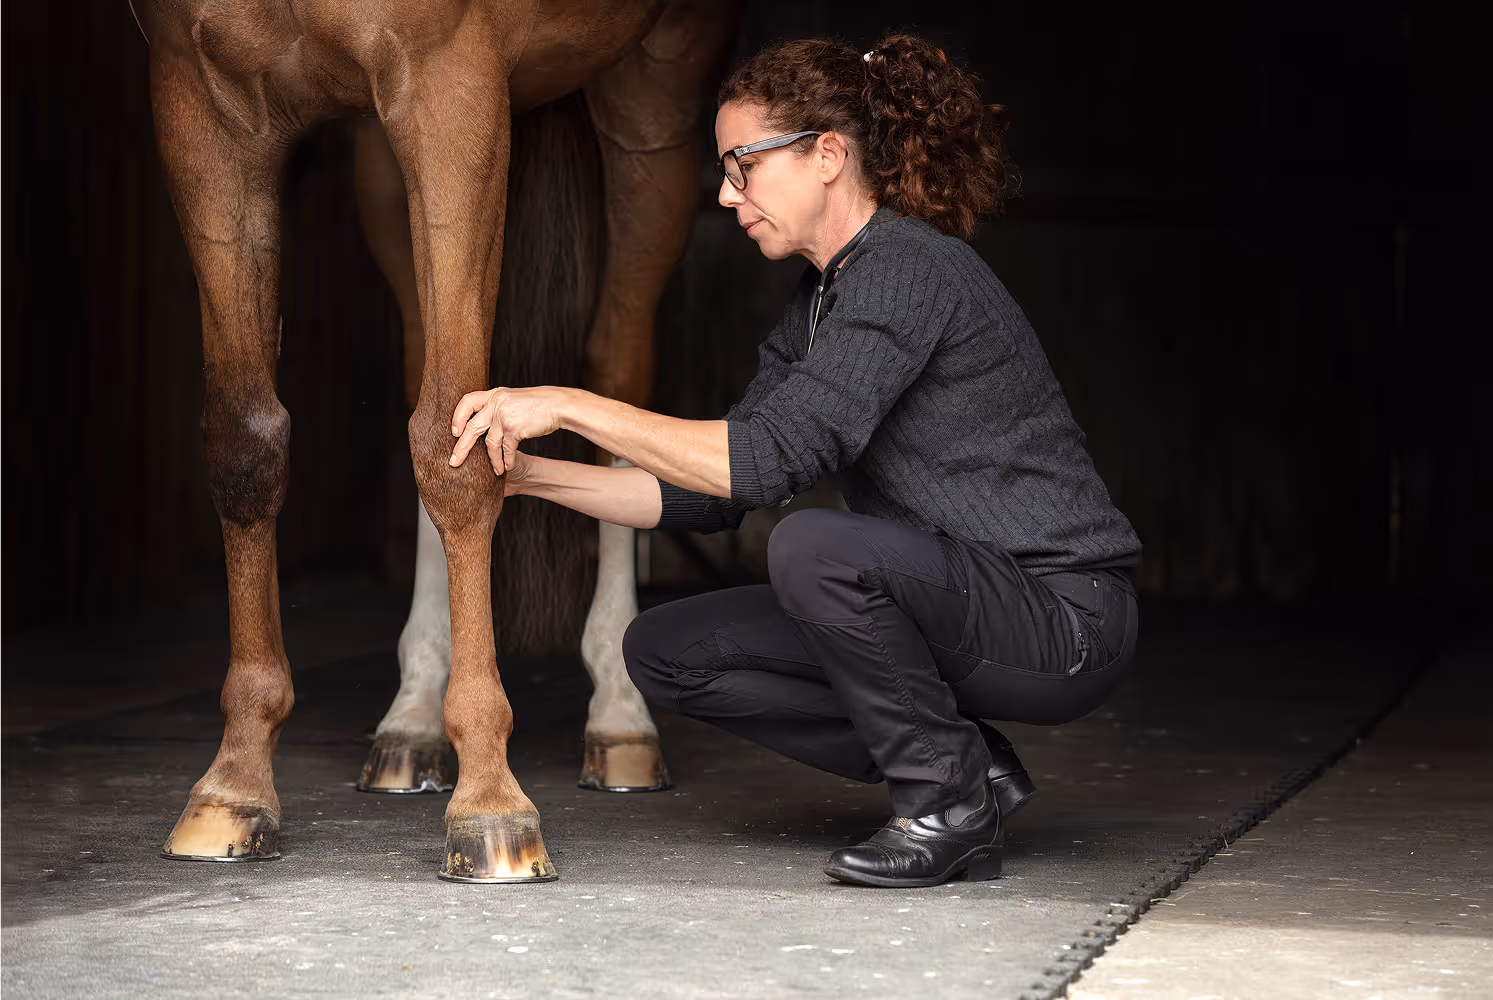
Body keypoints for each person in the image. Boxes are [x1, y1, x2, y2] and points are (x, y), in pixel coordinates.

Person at [446, 33, 1142, 889]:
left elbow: (770, 461)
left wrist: (567, 404)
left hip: (1064, 620)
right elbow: (708, 493)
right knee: (667, 649)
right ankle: (968, 767)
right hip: (957, 606)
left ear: (825, 155)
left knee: (815, 549)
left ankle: (947, 810)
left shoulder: (908, 267)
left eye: (742, 164)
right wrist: (521, 477)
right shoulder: (821, 299)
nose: (726, 192)